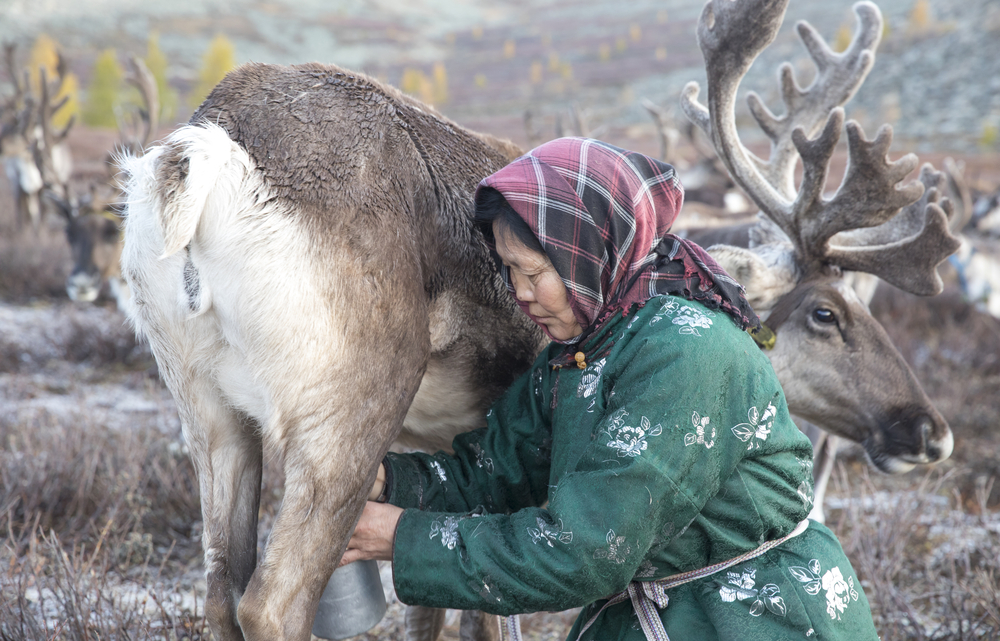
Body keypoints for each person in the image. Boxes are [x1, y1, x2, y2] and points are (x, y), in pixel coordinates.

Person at [341, 138, 879, 640]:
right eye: (509, 270)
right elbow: (494, 473)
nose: (521, 294)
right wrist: (385, 480)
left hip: (753, 619)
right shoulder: (580, 353)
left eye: (534, 272)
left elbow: (584, 552)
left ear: (587, 256)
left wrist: (400, 537)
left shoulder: (685, 352)